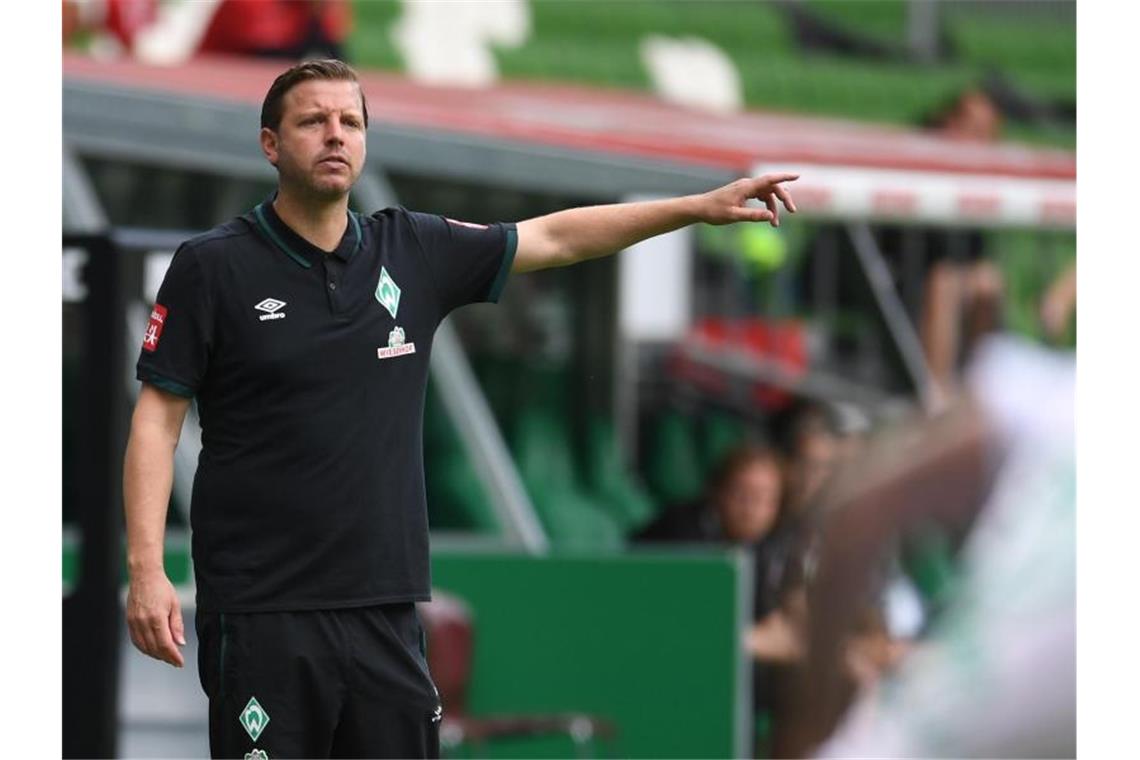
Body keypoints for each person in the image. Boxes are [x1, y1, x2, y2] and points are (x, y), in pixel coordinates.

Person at [121, 58, 799, 759]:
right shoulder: (213, 265)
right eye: (312, 121)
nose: (334, 135)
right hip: (263, 610)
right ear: (271, 144)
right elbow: (156, 421)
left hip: (384, 610)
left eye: (349, 122)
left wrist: (695, 206)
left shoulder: (410, 248)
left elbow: (556, 237)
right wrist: (147, 569)